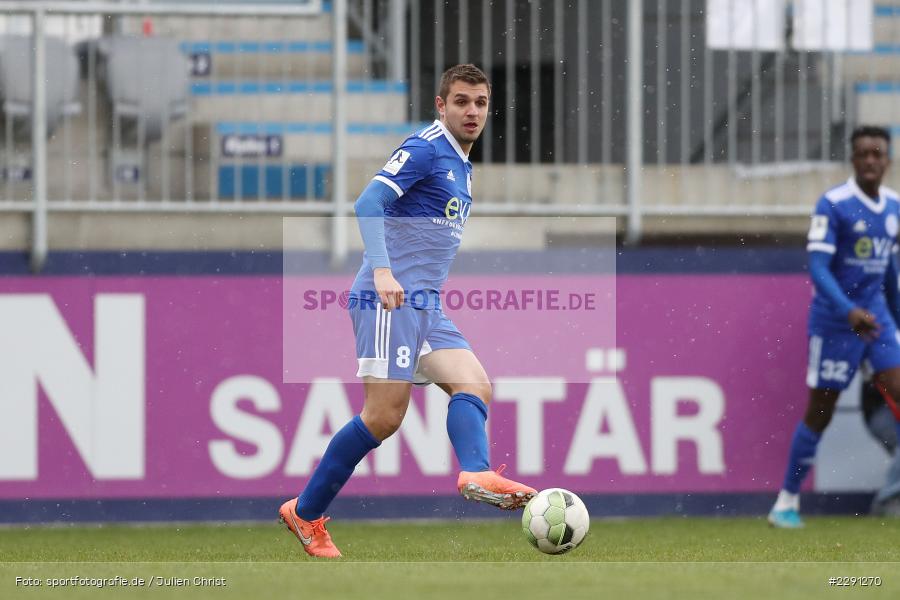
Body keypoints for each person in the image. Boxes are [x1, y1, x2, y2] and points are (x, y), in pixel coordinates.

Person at [278, 64, 536, 557]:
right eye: (462, 101)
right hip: (388, 300)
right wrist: (381, 271)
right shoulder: (425, 148)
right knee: (382, 417)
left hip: (425, 306)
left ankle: (477, 471)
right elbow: (368, 202)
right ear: (441, 106)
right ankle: (305, 513)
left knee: (474, 383)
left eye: (480, 102)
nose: (472, 111)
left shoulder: (461, 162)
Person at [769, 125, 900, 528]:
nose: (871, 161)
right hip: (835, 324)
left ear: (888, 159)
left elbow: (890, 270)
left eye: (878, 153)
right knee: (819, 413)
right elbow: (819, 267)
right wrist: (847, 311)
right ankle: (786, 502)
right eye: (864, 154)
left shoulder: (894, 206)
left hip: (877, 321)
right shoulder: (834, 204)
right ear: (853, 159)